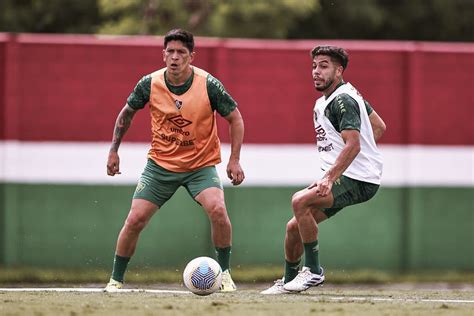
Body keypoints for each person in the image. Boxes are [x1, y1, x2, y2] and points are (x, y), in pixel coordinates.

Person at [104, 29, 245, 292]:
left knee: (218, 210)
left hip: (200, 166)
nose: (175, 57)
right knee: (134, 220)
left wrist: (234, 160)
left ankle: (224, 274)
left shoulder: (208, 84)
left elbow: (235, 118)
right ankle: (115, 280)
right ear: (163, 54)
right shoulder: (149, 83)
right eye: (170, 51)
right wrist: (114, 150)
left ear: (192, 56)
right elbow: (127, 114)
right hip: (160, 166)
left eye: (181, 52)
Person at [261, 45, 386, 294]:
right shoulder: (336, 97)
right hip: (350, 175)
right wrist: (357, 156)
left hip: (359, 179)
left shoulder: (343, 100)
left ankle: (314, 272)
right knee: (293, 227)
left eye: (324, 66)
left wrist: (331, 177)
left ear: (339, 71)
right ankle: (288, 281)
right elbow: (379, 126)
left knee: (300, 201)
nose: (316, 71)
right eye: (314, 66)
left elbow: (354, 144)